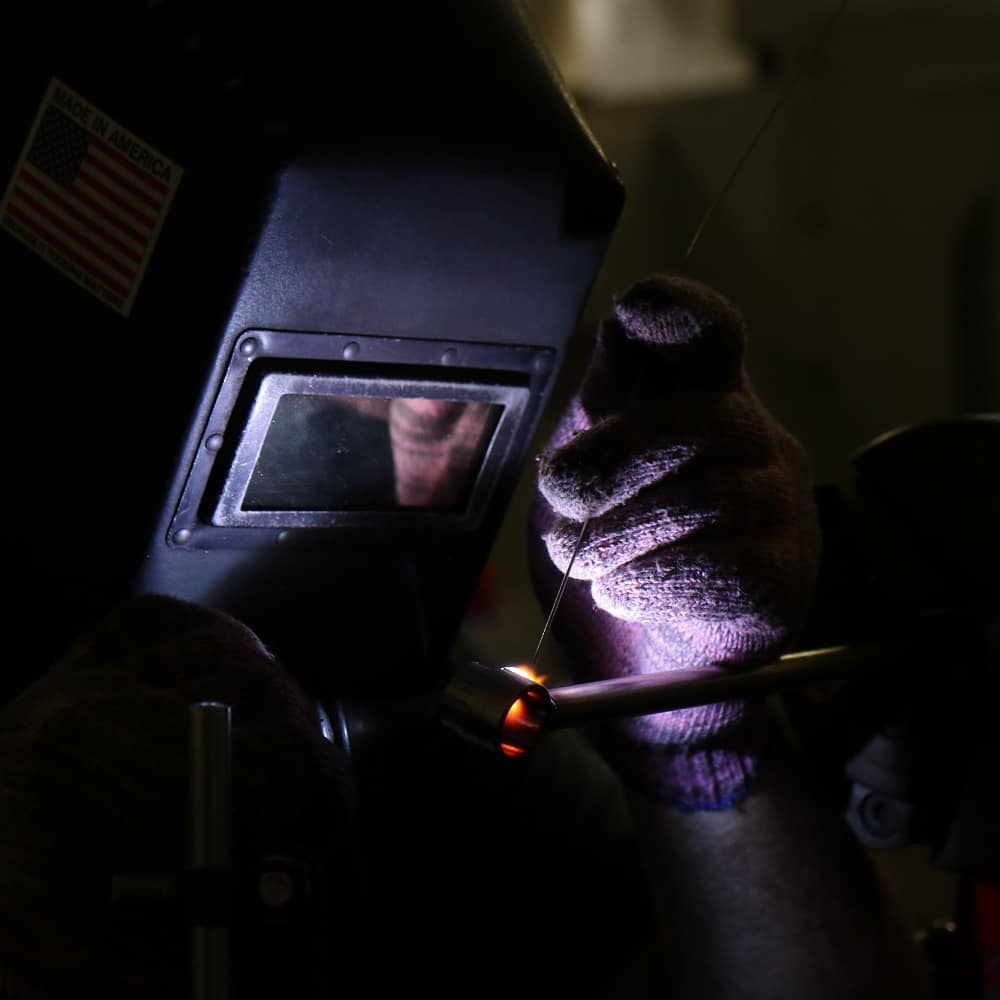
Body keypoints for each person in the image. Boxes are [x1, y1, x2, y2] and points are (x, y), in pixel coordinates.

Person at [0, 275, 932, 998]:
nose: (414, 431)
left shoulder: (410, 708)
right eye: (335, 395)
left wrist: (693, 742)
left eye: (452, 397)